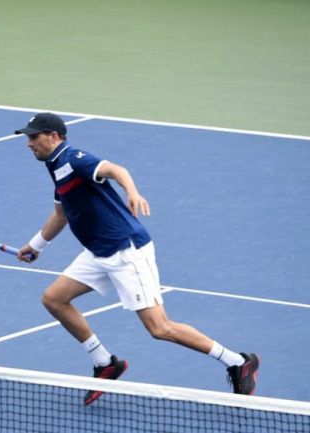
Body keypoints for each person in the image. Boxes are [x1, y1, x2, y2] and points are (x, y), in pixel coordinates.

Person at [14, 112, 259, 404]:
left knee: (160, 328)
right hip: (98, 252)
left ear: (54, 136)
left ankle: (237, 361)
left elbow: (117, 169)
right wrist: (36, 245)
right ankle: (106, 363)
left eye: (34, 136)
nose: (29, 143)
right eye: (28, 137)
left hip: (125, 251)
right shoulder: (55, 167)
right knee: (54, 299)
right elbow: (61, 213)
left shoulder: (74, 158)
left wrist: (132, 192)